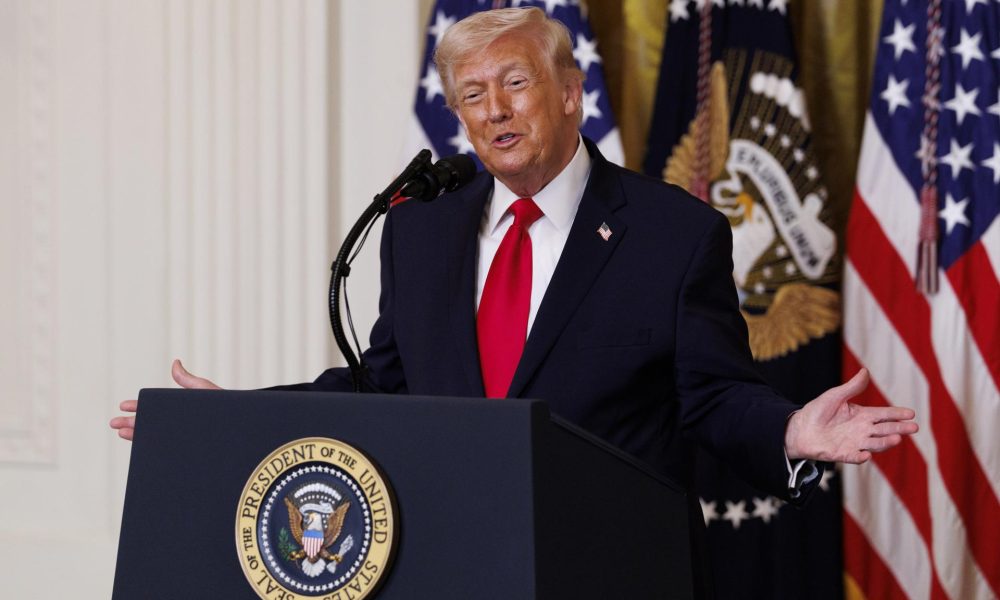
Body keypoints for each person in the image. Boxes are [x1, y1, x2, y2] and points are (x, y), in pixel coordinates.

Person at [111, 5, 916, 589]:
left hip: (612, 571)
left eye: (514, 82)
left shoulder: (674, 234)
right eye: (470, 93)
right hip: (447, 565)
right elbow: (381, 389)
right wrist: (231, 421)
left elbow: (711, 399)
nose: (492, 108)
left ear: (570, 93)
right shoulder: (419, 230)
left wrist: (789, 427)